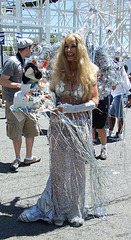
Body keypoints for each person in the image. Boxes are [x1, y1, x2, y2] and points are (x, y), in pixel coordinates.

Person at [18, 33, 107, 227]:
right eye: (66, 46)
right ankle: (57, 209)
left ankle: (74, 210)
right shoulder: (57, 69)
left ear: (80, 48)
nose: (69, 50)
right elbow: (50, 92)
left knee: (76, 169)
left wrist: (72, 108)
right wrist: (43, 100)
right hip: (58, 125)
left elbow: (94, 101)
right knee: (58, 169)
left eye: (73, 46)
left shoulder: (91, 70)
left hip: (79, 126)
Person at [0, 38, 41, 170]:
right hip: (14, 102)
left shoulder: (26, 62)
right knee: (15, 128)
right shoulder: (12, 62)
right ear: (27, 48)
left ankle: (28, 157)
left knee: (31, 127)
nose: (32, 50)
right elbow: (2, 81)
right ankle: (17, 158)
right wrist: (20, 85)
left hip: (28, 102)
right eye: (31, 48)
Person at [109, 57, 131, 140]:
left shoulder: (121, 71)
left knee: (119, 115)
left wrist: (120, 61)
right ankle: (111, 130)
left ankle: (119, 133)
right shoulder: (115, 71)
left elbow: (127, 86)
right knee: (112, 114)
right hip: (115, 95)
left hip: (120, 95)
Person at [92, 94, 111, 160]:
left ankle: (104, 149)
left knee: (101, 128)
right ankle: (91, 149)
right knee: (91, 128)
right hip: (89, 102)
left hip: (102, 105)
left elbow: (113, 87)